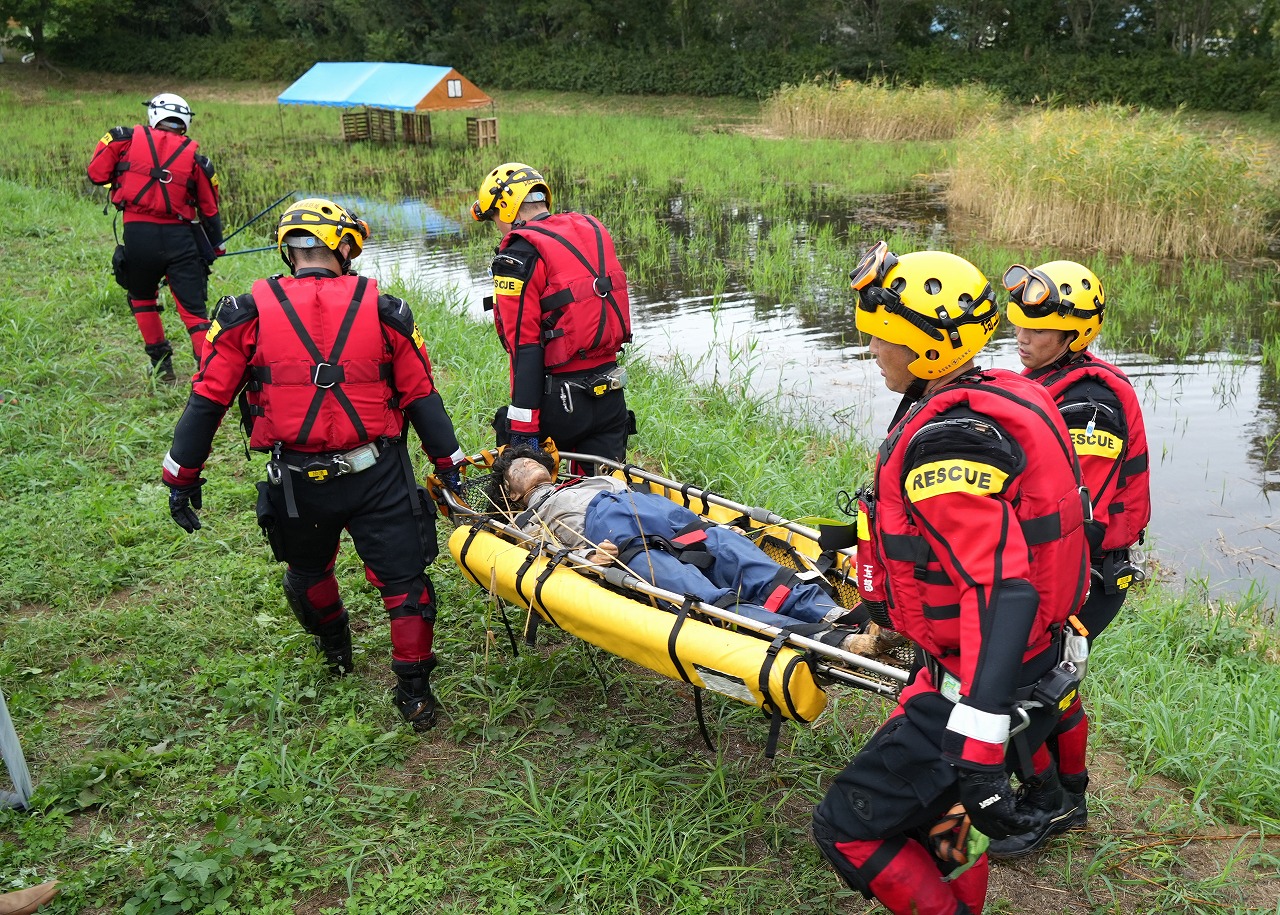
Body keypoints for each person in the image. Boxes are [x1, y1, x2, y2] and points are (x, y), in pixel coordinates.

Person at [811, 243, 1091, 915]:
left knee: (844, 828)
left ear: (926, 350)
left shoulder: (948, 443)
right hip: (1002, 663)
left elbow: (1003, 587)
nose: (874, 349)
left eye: (885, 337)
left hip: (976, 681)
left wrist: (980, 740)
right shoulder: (981, 394)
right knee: (947, 819)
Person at [161, 198, 466, 732]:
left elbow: (207, 399)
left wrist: (180, 478)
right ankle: (414, 694)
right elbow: (421, 397)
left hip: (300, 480)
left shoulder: (242, 315)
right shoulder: (387, 312)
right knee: (406, 586)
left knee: (308, 574)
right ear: (344, 248)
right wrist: (451, 466)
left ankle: (335, 648)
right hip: (378, 474)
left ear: (290, 250)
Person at [986, 260, 1152, 858]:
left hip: (1086, 572)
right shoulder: (1051, 380)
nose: (1021, 337)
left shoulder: (1088, 406)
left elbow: (1070, 511)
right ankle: (1064, 796)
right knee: (1054, 683)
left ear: (1074, 336)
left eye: (1037, 330)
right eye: (1020, 325)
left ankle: (1052, 802)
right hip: (1066, 568)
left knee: (1031, 683)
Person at [485, 444, 886, 651]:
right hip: (628, 545)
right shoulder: (529, 520)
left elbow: (640, 489)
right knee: (708, 600)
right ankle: (840, 642)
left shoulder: (591, 479)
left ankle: (837, 615)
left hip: (672, 521)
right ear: (513, 497)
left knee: (760, 572)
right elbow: (551, 559)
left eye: (521, 459)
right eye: (511, 472)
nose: (518, 464)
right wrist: (591, 560)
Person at [471, 162, 634, 474]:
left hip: (561, 404)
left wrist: (523, 434)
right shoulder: (590, 229)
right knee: (605, 494)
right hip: (612, 396)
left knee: (530, 493)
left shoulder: (519, 254)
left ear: (507, 210)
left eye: (495, 219)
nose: (498, 228)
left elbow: (526, 347)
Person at [87, 92, 224, 383]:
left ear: (153, 115)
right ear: (185, 122)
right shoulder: (199, 161)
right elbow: (210, 210)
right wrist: (216, 244)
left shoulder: (121, 138)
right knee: (194, 311)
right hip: (181, 239)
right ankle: (210, 378)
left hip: (138, 237)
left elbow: (96, 174)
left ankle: (162, 368)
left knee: (142, 298)